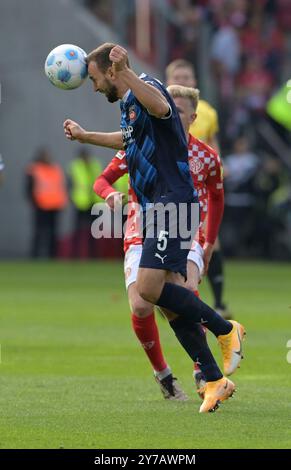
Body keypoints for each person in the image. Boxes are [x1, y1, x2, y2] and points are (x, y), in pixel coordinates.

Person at [63, 43, 245, 413]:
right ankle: (214, 379)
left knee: (147, 290)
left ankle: (226, 330)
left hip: (172, 202)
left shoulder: (147, 88)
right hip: (154, 208)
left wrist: (127, 71)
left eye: (96, 79)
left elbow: (163, 109)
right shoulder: (130, 104)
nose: (95, 88)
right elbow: (127, 141)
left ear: (112, 72)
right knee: (171, 301)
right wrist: (86, 137)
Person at [93, 85, 225, 400]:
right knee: (142, 304)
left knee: (182, 293)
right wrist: (109, 193)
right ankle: (164, 374)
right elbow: (102, 179)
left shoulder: (206, 156)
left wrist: (208, 243)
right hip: (141, 230)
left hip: (185, 229)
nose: (171, 114)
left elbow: (217, 198)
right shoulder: (141, 142)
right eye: (169, 108)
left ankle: (204, 371)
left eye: (178, 110)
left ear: (193, 118)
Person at [165, 59, 231, 319]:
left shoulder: (207, 112)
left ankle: (216, 302)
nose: (182, 80)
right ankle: (182, 300)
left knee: (209, 243)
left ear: (194, 81)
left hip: (200, 186)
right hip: (170, 190)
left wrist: (217, 169)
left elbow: (213, 144)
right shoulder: (160, 108)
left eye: (187, 76)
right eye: (177, 76)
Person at [26, 148, 68, 258]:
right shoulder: (34, 169)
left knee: (53, 233)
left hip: (55, 206)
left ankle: (52, 255)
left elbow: (61, 186)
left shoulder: (55, 168)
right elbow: (29, 188)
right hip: (40, 206)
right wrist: (34, 202)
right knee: (39, 232)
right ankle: (35, 255)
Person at [69, 147, 103, 258]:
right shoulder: (75, 166)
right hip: (80, 203)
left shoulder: (95, 165)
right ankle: (76, 254)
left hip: (94, 202)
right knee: (78, 230)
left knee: (94, 232)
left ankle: (93, 254)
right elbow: (71, 184)